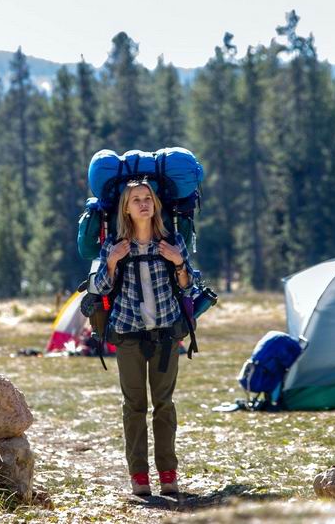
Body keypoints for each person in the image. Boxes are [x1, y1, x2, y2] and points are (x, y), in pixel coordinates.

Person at [92, 179, 194, 496]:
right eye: (136, 199)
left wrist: (179, 262)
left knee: (164, 405)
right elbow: (99, 288)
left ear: (155, 204)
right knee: (134, 406)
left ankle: (168, 473)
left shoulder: (172, 241)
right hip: (128, 335)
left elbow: (189, 286)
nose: (143, 204)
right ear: (126, 208)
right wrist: (111, 261)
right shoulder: (114, 245)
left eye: (147, 198)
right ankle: (139, 476)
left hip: (166, 333)